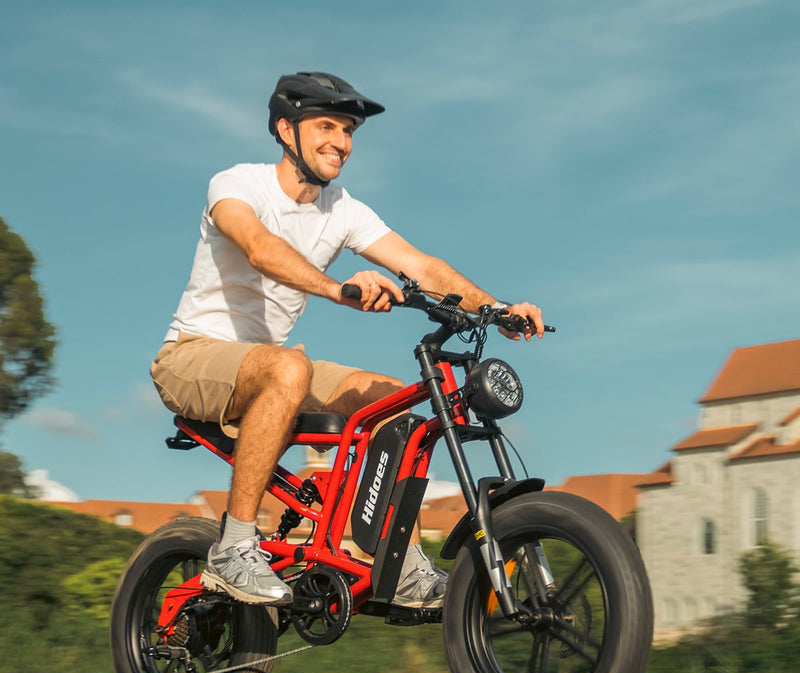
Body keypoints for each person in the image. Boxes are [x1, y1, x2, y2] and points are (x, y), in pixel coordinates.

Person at [151, 71, 544, 609]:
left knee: (395, 401)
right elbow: (261, 249)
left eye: (349, 130)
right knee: (288, 367)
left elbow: (424, 267)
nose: (341, 141)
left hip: (272, 366)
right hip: (192, 356)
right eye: (327, 126)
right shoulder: (237, 184)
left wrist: (496, 309)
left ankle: (393, 561)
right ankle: (234, 545)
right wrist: (339, 289)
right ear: (286, 130)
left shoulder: (343, 210)